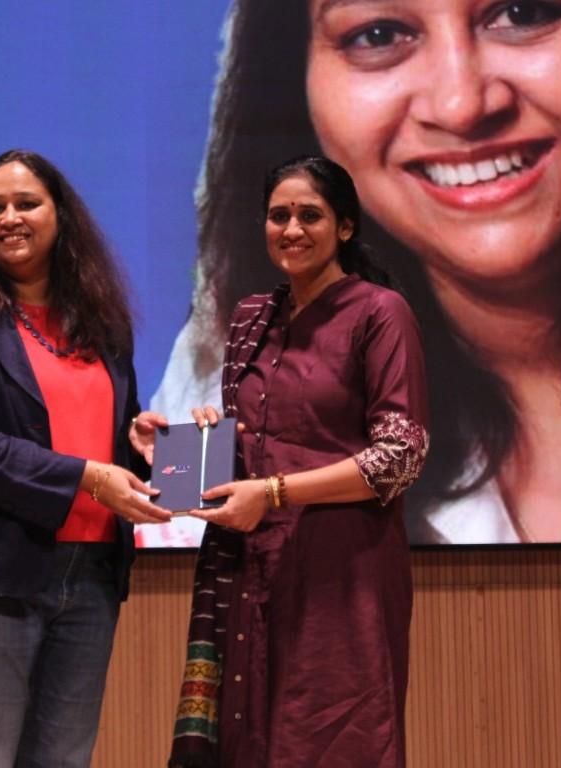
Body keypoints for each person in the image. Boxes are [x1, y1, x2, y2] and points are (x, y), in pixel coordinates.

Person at [151, 0, 561, 544]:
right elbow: (173, 569)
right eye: (378, 34)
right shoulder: (208, 383)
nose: (461, 106)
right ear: (295, 80)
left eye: (525, 12)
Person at [0, 149, 173, 768]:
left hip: (92, 575)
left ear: (61, 215)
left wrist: (138, 447)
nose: (9, 217)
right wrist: (88, 476)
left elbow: (103, 446)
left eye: (26, 203)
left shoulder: (101, 321)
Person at [167, 156, 429, 768]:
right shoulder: (251, 318)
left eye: (310, 215)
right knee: (244, 742)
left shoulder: (380, 312)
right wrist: (193, 441)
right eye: (278, 215)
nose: (291, 229)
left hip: (342, 571)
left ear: (344, 226)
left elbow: (400, 457)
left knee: (332, 737)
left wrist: (274, 493)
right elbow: (255, 445)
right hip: (250, 568)